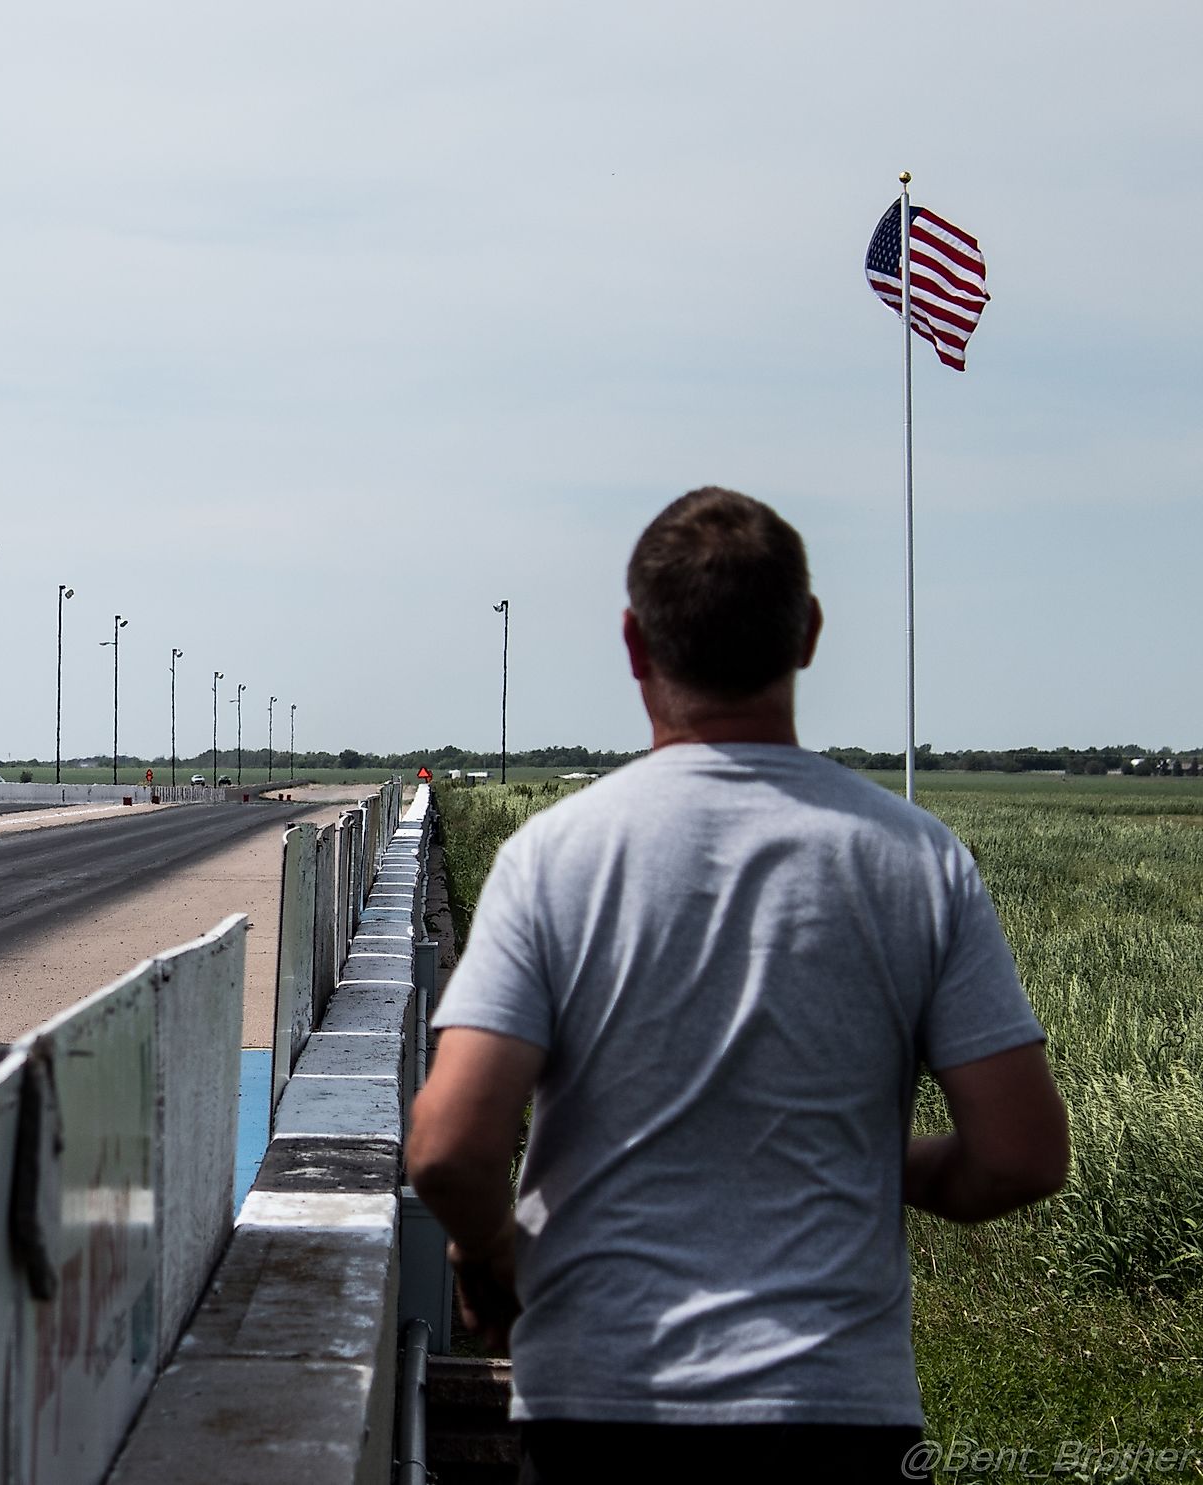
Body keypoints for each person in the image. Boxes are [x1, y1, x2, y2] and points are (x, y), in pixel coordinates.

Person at [407, 487, 1070, 1483]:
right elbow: (1020, 1157)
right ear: (806, 634)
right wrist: (869, 1161)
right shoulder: (916, 859)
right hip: (841, 1411)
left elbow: (452, 1150)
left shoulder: (556, 856)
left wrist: (495, 1255)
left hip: (601, 1405)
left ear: (634, 644)